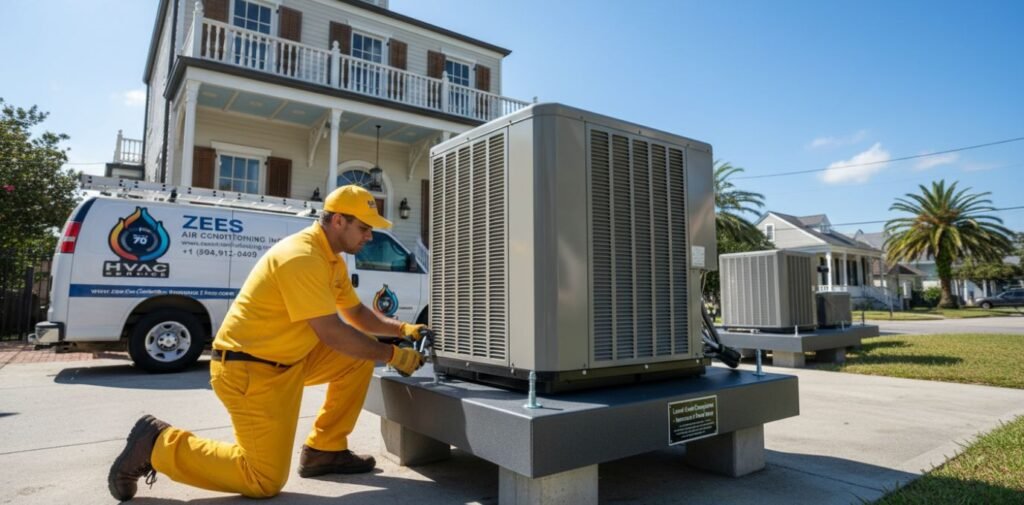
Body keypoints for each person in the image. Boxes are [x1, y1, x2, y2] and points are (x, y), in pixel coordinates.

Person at [108, 185, 428, 501]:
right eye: (364, 228)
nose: (370, 236)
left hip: (287, 360)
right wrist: (392, 355)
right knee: (263, 479)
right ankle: (157, 444)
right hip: (249, 369)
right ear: (338, 221)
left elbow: (355, 313)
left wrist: (403, 329)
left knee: (358, 354)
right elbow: (332, 333)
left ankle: (325, 450)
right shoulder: (303, 256)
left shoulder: (331, 259)